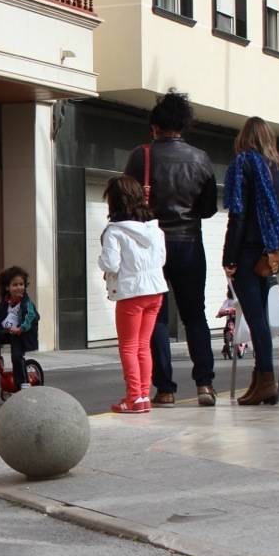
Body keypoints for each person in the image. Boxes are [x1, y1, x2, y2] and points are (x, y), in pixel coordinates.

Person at [123, 90, 218, 407]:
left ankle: (165, 388)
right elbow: (207, 209)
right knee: (195, 315)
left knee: (156, 318)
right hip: (189, 242)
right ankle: (204, 384)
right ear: (184, 126)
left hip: (151, 246)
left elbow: (128, 201)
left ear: (154, 126)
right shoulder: (201, 158)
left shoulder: (141, 156)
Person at [221, 117, 279, 406]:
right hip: (270, 255)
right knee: (259, 318)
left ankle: (266, 379)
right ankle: (259, 379)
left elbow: (238, 214)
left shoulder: (243, 165)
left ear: (245, 138)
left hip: (248, 252)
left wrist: (229, 256)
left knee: (256, 320)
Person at [98, 175, 167, 413]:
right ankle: (143, 396)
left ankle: (133, 398)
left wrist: (100, 261)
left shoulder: (114, 231)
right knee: (143, 346)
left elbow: (110, 264)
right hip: (155, 291)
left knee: (128, 347)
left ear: (114, 202)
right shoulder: (154, 229)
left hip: (131, 293)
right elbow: (161, 259)